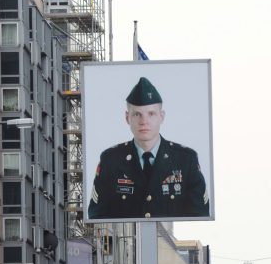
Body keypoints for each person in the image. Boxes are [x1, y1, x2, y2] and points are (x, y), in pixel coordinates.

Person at [88, 77, 210, 220]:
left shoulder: (186, 159)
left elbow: (200, 214)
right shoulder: (111, 160)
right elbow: (96, 216)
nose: (144, 121)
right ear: (127, 118)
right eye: (137, 114)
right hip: (130, 242)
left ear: (161, 116)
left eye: (151, 114)